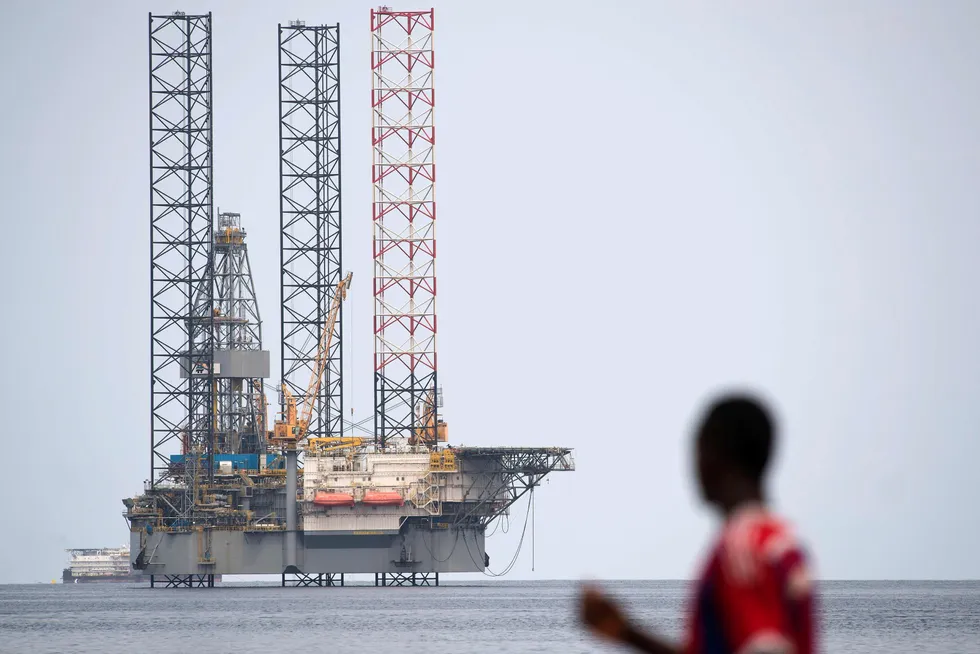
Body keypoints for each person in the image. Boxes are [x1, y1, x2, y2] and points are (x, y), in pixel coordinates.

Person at [580, 393, 816, 654]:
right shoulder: (783, 542)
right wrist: (627, 633)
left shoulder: (743, 550)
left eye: (697, 450)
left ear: (716, 454)